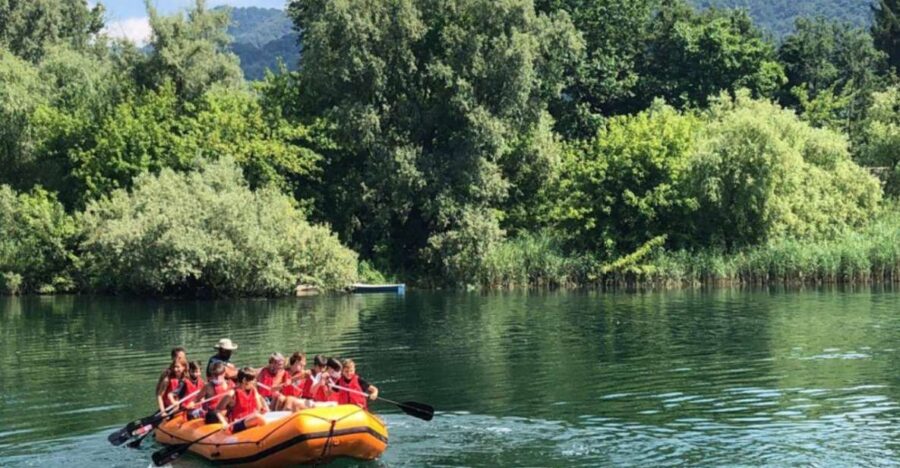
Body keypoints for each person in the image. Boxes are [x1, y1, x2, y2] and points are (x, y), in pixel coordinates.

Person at [215, 367, 267, 433]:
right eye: (253, 380)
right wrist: (224, 423)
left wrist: (262, 410)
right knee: (257, 417)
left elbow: (259, 409)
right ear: (244, 380)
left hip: (250, 420)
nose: (255, 382)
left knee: (259, 416)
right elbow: (217, 411)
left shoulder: (253, 390)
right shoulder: (231, 394)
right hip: (237, 424)